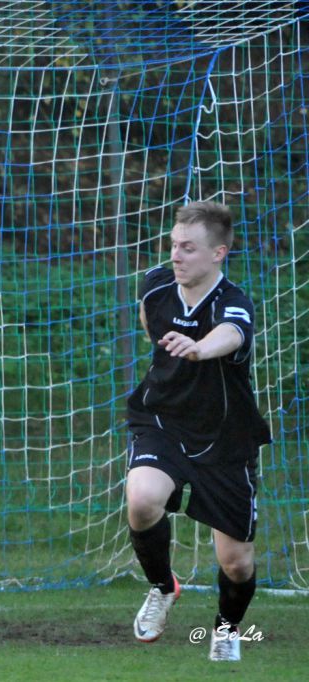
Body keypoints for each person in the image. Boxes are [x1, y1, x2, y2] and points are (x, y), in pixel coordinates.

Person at [125, 201, 270, 662]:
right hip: (163, 421)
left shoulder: (234, 302)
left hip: (226, 437)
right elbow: (150, 323)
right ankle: (163, 587)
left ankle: (226, 629)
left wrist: (200, 348)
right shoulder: (156, 286)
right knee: (142, 498)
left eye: (188, 248)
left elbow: (232, 333)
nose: (176, 255)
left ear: (218, 253)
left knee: (236, 563)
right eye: (173, 245)